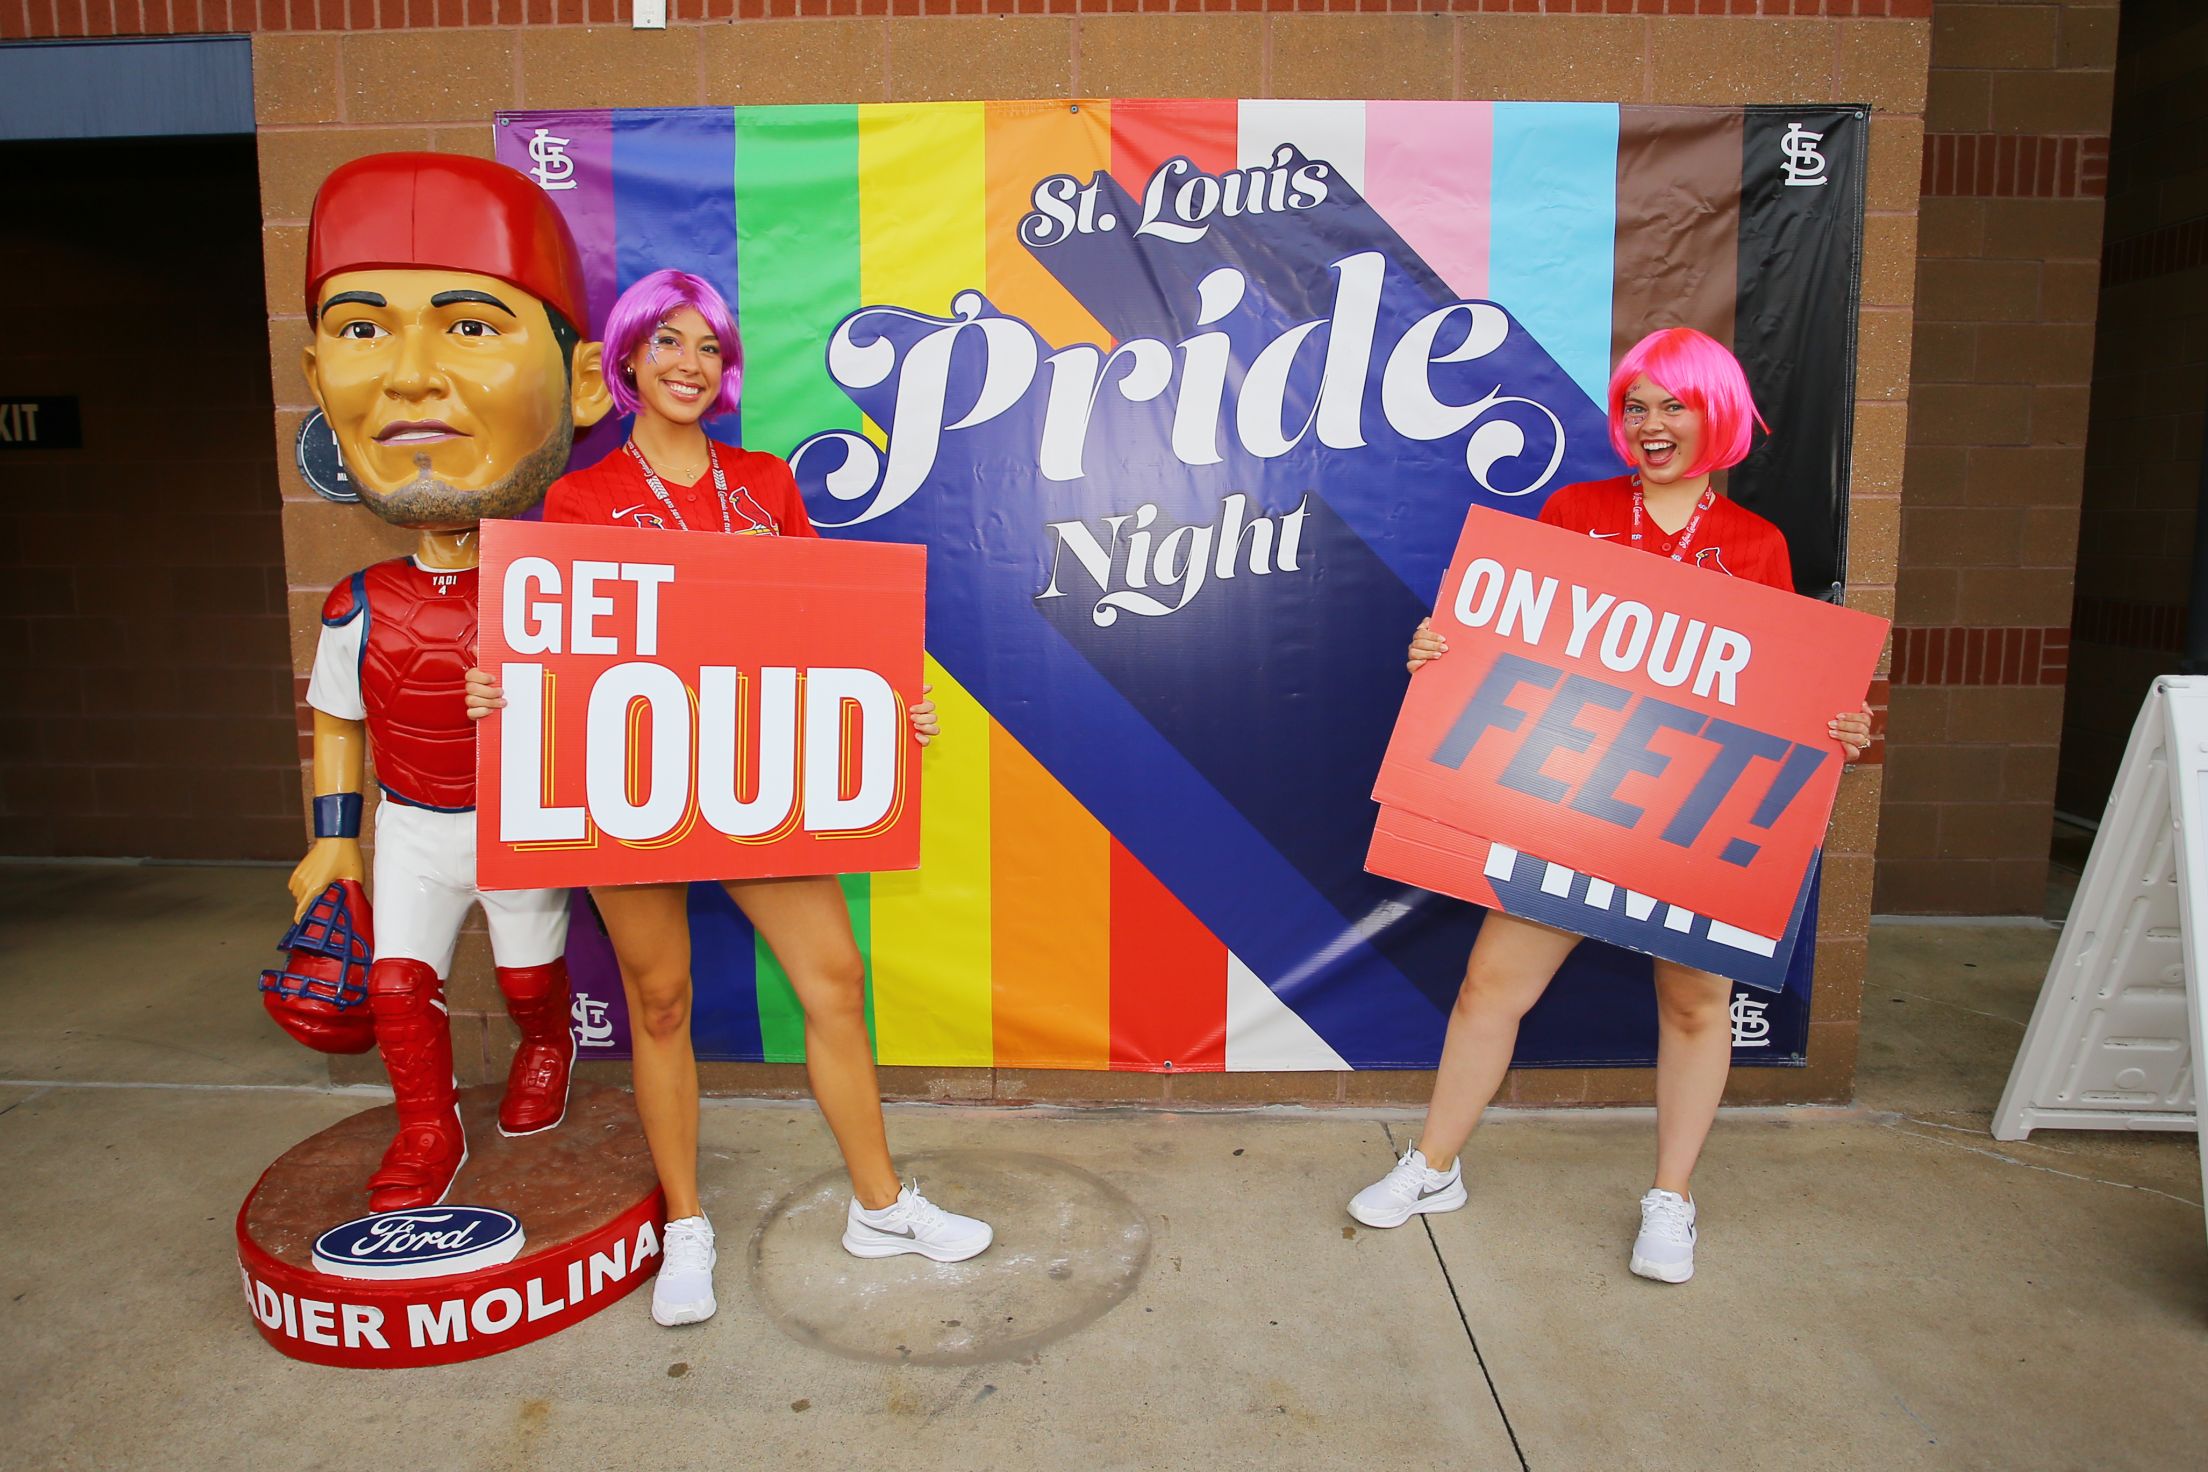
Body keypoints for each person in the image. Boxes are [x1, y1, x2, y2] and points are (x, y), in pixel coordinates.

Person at [466, 269, 992, 1329]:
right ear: (625, 360)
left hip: (757, 776)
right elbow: (555, 643)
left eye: (707, 347)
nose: (689, 364)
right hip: (632, 784)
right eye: (667, 342)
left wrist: (887, 708)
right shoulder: (578, 497)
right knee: (660, 1002)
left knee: (833, 981)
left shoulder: (765, 484)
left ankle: (879, 1202)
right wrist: (502, 686)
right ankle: (687, 1224)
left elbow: (815, 639)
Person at [1348, 327, 1873, 1284]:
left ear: (1716, 415)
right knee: (1489, 986)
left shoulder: (1756, 545)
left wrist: (1836, 732)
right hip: (1573, 798)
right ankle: (1433, 1165)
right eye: (1637, 406)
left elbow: (1782, 697)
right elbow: (1511, 643)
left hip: (1693, 818)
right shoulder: (1574, 508)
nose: (1652, 424)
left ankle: (1670, 1197)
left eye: (1673, 405)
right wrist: (1441, 654)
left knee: (1694, 1001)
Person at [289, 152, 614, 1211]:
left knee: (528, 975)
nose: (412, 375)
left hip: (520, 815)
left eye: (471, 326)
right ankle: (427, 1130)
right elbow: (337, 718)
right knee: (397, 984)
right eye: (362, 328)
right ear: (317, 375)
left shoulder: (564, 584)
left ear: (580, 380)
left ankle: (547, 1044)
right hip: (414, 819)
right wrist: (335, 834)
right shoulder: (362, 599)